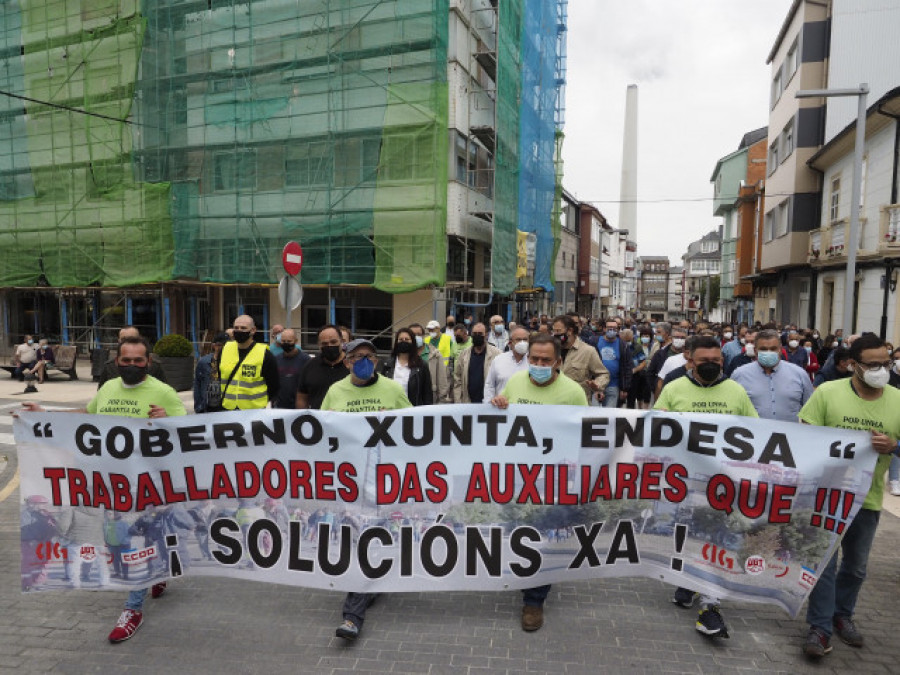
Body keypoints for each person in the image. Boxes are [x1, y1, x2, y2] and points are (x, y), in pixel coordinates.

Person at [22, 335, 186, 643]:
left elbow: (191, 432)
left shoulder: (163, 392)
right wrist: (44, 415)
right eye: (127, 360)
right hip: (109, 484)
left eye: (139, 360)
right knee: (118, 537)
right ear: (117, 362)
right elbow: (86, 418)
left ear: (148, 362)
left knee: (132, 541)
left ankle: (133, 608)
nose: (133, 365)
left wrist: (169, 421)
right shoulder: (109, 387)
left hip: (147, 485)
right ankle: (159, 571)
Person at [800, 333, 900, 658]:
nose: (881, 369)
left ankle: (842, 616)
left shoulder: (898, 400)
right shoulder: (827, 393)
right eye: (873, 364)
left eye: (886, 363)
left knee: (856, 567)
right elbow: (803, 435)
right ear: (852, 365)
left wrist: (894, 446)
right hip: (825, 495)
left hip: (867, 500)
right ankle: (819, 628)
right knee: (824, 563)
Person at [654, 335, 758, 639]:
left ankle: (710, 606)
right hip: (683, 480)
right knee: (689, 535)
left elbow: (756, 431)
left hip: (723, 483)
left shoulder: (736, 391)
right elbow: (656, 428)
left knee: (716, 537)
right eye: (704, 361)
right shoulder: (673, 389)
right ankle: (688, 583)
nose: (711, 365)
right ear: (690, 360)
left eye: (716, 361)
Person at [490, 332, 588, 631]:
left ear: (558, 362)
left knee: (541, 533)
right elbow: (502, 423)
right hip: (519, 474)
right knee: (518, 529)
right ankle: (525, 577)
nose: (538, 364)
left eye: (546, 360)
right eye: (534, 359)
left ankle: (534, 600)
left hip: (553, 477)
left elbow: (584, 438)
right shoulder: (517, 382)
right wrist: (498, 405)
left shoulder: (573, 393)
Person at [322, 338, 412, 640]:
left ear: (376, 361)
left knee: (367, 541)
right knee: (358, 543)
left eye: (370, 356)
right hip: (349, 482)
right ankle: (359, 603)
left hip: (384, 482)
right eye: (357, 356)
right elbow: (323, 433)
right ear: (346, 361)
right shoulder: (336, 392)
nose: (364, 361)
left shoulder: (392, 389)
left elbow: (414, 427)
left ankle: (358, 606)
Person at [731, 329, 813, 422]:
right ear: (755, 350)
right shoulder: (739, 375)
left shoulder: (799, 374)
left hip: (790, 435)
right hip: (753, 434)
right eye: (763, 349)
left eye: (773, 349)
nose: (768, 352)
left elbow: (810, 412)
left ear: (780, 350)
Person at [218, 315, 279, 410]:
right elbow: (219, 376)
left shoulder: (264, 354)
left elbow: (273, 386)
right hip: (228, 409)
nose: (239, 331)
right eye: (236, 328)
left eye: (243, 328)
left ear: (253, 330)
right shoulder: (225, 349)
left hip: (254, 412)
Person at [549, 315, 609, 405]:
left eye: (558, 331)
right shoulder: (551, 350)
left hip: (578, 404)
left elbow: (603, 374)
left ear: (569, 331)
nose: (555, 334)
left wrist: (597, 384)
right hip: (554, 403)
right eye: (554, 331)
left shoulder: (588, 351)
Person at [296, 325, 349, 409]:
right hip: (318, 420)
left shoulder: (353, 365)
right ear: (319, 345)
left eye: (333, 342)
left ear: (342, 341)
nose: (329, 346)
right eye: (324, 343)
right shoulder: (309, 366)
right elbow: (302, 397)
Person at [98, 326, 167, 388]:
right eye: (124, 339)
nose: (129, 343)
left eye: (132, 339)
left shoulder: (155, 366)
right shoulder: (109, 367)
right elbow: (102, 393)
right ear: (119, 341)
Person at [382, 327, 433, 406]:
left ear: (413, 342)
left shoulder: (422, 365)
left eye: (407, 339)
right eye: (401, 339)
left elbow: (427, 395)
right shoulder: (387, 364)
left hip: (413, 412)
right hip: (391, 412)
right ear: (396, 342)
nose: (404, 341)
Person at [453, 322, 499, 404]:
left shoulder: (497, 354)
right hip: (468, 403)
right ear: (471, 334)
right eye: (474, 333)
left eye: (480, 333)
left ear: (486, 335)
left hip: (489, 403)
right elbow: (457, 380)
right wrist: (458, 401)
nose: (477, 335)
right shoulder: (463, 355)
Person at [483, 326, 530, 400]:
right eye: (518, 339)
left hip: (526, 408)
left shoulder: (534, 362)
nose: (522, 342)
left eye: (525, 339)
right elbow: (490, 385)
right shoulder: (499, 360)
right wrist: (488, 404)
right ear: (510, 342)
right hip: (501, 408)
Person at [409, 323, 451, 403]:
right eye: (413, 335)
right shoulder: (405, 354)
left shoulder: (435, 354)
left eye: (419, 334)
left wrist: (441, 402)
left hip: (430, 399)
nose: (416, 337)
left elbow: (442, 381)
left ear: (423, 336)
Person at [595, 319, 632, 408]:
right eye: (609, 328)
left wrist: (624, 388)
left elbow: (627, 367)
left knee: (609, 415)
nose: (612, 330)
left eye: (614, 328)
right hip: (596, 385)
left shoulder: (623, 345)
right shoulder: (595, 342)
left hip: (613, 385)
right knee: (594, 415)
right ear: (604, 329)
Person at [271, 329, 310, 409]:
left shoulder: (306, 360)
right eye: (283, 341)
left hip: (299, 407)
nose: (286, 344)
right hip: (279, 406)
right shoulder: (276, 359)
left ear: (296, 341)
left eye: (289, 341)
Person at [192, 332, 229, 413]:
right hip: (208, 406)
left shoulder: (230, 362)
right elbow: (197, 384)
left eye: (225, 345)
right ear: (213, 345)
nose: (222, 348)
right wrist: (198, 406)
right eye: (219, 345)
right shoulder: (204, 362)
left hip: (225, 406)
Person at [654, 326, 689, 398]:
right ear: (671, 338)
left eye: (682, 338)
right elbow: (657, 378)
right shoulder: (662, 354)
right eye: (676, 337)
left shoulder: (691, 356)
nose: (679, 340)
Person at [627, 327, 653, 409]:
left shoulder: (653, 347)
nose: (645, 338)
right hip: (639, 373)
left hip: (649, 373)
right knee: (638, 393)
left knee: (647, 393)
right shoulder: (638, 347)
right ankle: (640, 408)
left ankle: (645, 409)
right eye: (643, 336)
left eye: (647, 336)